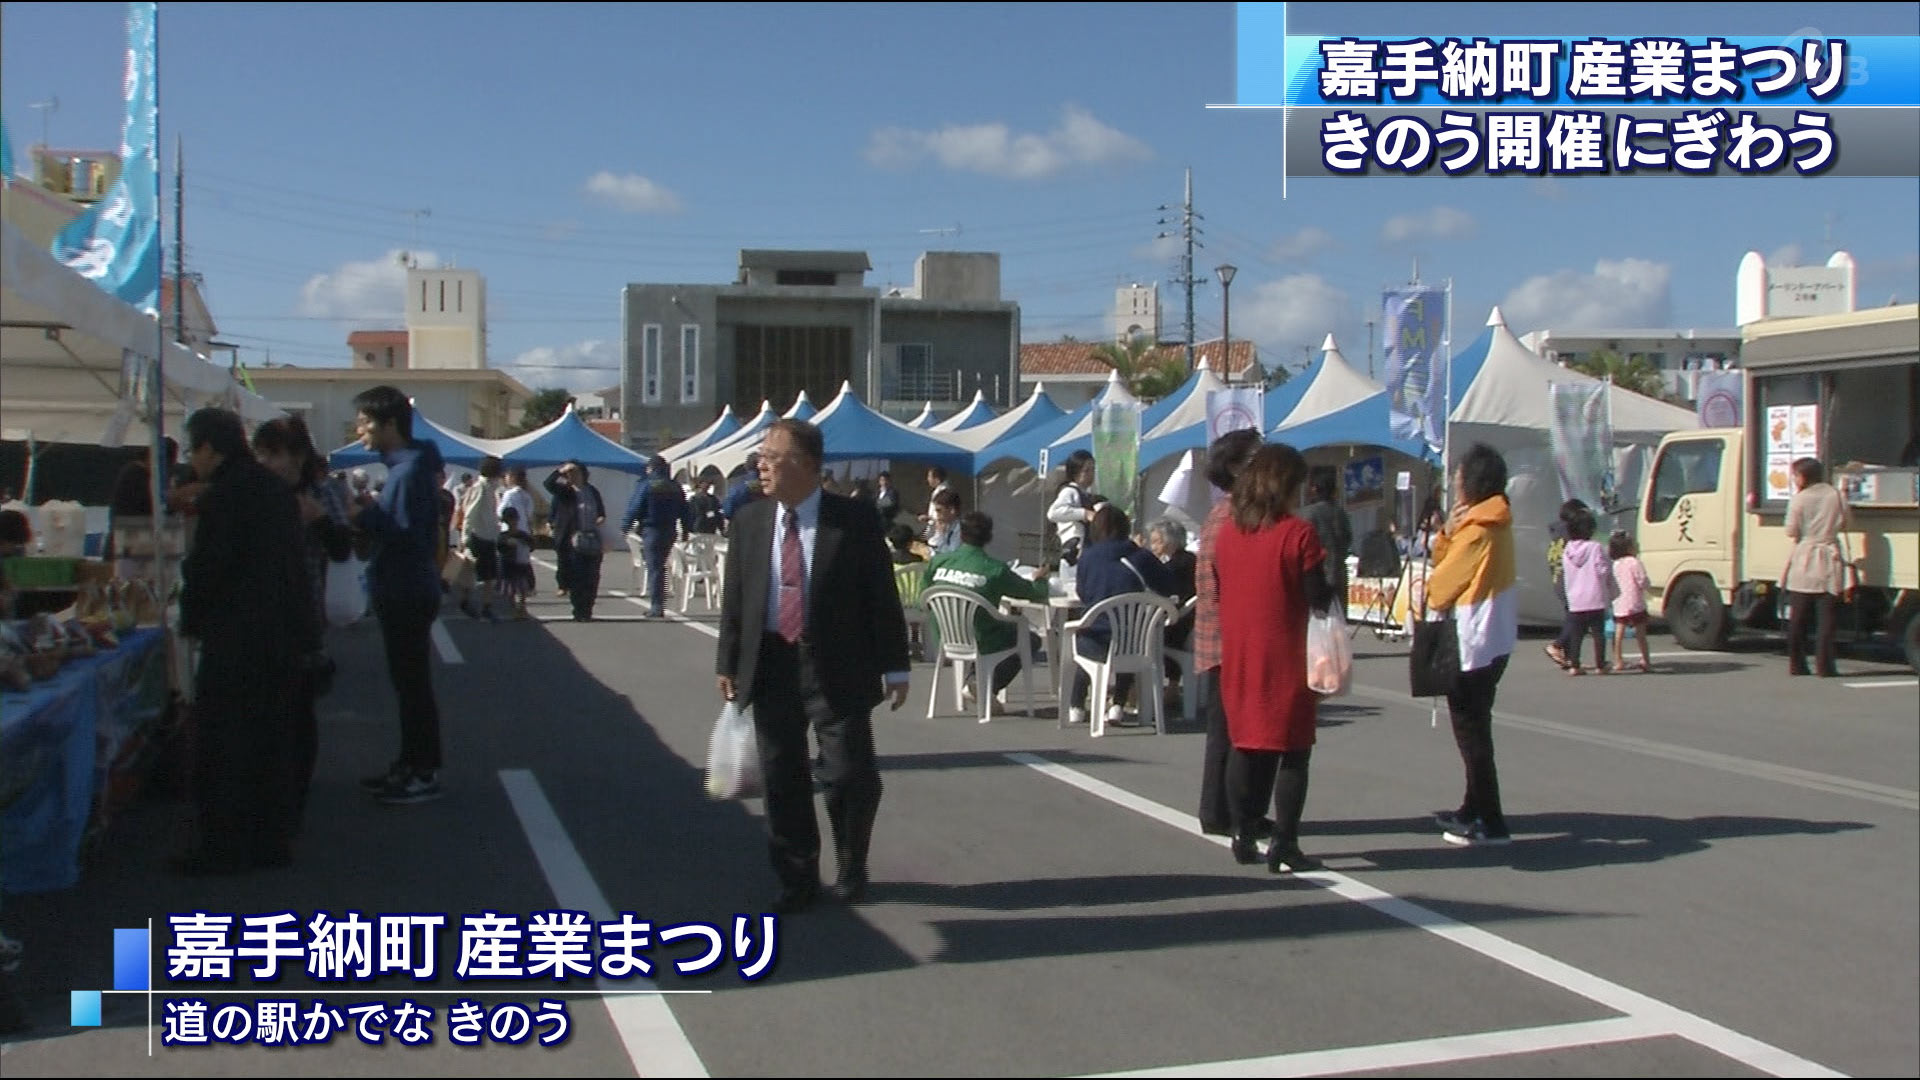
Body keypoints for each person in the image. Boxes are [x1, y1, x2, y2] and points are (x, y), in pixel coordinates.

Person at [716, 419, 911, 915]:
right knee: (782, 778)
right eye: (759, 456)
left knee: (849, 774)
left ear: (803, 464)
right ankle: (796, 876)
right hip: (771, 662)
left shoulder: (854, 521)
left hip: (837, 664)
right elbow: (736, 600)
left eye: (770, 456)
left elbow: (880, 597)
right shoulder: (750, 521)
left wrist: (896, 665)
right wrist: (728, 660)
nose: (760, 465)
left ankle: (851, 863)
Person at [174, 408, 312, 874]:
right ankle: (270, 840)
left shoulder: (227, 494)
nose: (193, 459)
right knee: (271, 742)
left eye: (194, 449)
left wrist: (191, 615)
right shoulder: (272, 489)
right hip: (281, 634)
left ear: (210, 448)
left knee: (225, 744)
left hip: (237, 636)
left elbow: (210, 566)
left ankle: (222, 846)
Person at [1213, 443, 1336, 873]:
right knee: (1293, 750)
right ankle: (1285, 841)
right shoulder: (1298, 534)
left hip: (1241, 650)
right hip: (1286, 653)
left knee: (1244, 744)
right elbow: (1316, 595)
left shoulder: (1228, 533)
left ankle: (1242, 830)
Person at [252, 416, 353, 830]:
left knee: (298, 710)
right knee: (266, 711)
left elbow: (345, 548)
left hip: (305, 613)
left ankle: (293, 799)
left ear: (297, 456)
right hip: (258, 615)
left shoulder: (319, 493)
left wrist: (319, 520)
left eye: (275, 454)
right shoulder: (256, 495)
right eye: (262, 454)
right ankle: (268, 795)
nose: (268, 462)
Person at [349, 386, 449, 805]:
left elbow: (405, 534)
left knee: (412, 686)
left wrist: (366, 516)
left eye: (366, 422)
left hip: (405, 587)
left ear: (390, 424)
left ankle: (422, 770)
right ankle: (410, 763)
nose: (360, 430)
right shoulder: (409, 467)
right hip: (406, 585)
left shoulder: (407, 474)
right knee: (408, 684)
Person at [1426, 443, 1520, 847]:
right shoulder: (1495, 522)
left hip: (1472, 642)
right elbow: (1443, 557)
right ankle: (1473, 806)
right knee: (1476, 724)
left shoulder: (1479, 530)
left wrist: (1449, 536)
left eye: (1458, 478)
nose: (1454, 484)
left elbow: (1440, 585)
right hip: (1494, 638)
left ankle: (1492, 819)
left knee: (1471, 732)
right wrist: (1447, 532)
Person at [1193, 428, 1268, 839]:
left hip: (1221, 633)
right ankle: (1228, 811)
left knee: (1226, 728)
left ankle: (1223, 809)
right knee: (1233, 731)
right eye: (1256, 456)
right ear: (1237, 467)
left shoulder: (1224, 513)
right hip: (1231, 634)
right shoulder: (1235, 516)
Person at [922, 511, 1052, 701]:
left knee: (996, 627)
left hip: (943, 635)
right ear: (989, 537)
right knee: (1029, 638)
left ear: (961, 534)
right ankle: (987, 687)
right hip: (982, 637)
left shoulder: (938, 562)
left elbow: (923, 597)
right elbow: (1035, 594)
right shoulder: (995, 569)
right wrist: (1040, 579)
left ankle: (974, 680)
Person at [1069, 504, 1177, 727]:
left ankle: (1076, 705)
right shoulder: (1140, 556)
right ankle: (1117, 705)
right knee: (1127, 631)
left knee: (1084, 640)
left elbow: (1082, 593)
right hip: (1134, 642)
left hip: (1096, 640)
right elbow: (1168, 584)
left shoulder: (1088, 557)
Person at [1782, 457, 1850, 678]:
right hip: (1830, 558)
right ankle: (1825, 666)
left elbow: (1791, 530)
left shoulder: (1799, 500)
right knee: (1827, 619)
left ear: (1803, 477)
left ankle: (1797, 664)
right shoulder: (1836, 495)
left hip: (1805, 558)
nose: (1794, 480)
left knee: (1798, 618)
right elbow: (1846, 522)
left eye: (1795, 475)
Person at [626, 455, 689, 619]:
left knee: (655, 568)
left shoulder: (646, 485)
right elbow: (685, 510)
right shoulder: (675, 486)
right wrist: (687, 529)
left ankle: (657, 605)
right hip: (670, 530)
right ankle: (660, 603)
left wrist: (625, 525)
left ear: (651, 468)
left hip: (651, 529)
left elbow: (635, 507)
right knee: (661, 567)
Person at [546, 461, 608, 621]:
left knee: (592, 575)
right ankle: (578, 609)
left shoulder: (592, 491)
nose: (571, 476)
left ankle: (588, 608)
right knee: (577, 576)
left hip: (592, 537)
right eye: (568, 473)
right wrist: (560, 470)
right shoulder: (565, 491)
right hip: (572, 539)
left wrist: (600, 518)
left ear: (583, 473)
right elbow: (548, 484)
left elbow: (601, 511)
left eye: (574, 472)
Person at [1556, 507, 1612, 676]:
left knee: (1576, 635)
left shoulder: (1567, 550)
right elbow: (1602, 570)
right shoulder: (1595, 547)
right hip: (1595, 597)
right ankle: (1600, 665)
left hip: (1575, 599)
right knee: (1598, 634)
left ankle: (1574, 665)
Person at [1543, 498, 1591, 670]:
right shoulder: (1571, 535)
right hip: (1570, 581)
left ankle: (1571, 658)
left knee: (1571, 616)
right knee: (1579, 618)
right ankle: (1557, 645)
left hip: (1558, 580)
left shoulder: (1556, 537)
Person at [1300, 466, 1354, 619]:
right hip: (1339, 573)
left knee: (1316, 630)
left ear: (1314, 488)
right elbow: (1348, 539)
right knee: (1338, 626)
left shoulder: (1308, 514)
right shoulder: (1340, 512)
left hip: (1316, 578)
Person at [458, 456, 505, 621]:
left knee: (488, 575)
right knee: (473, 571)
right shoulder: (481, 488)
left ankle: (485, 606)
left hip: (488, 536)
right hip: (479, 536)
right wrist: (465, 536)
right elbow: (470, 513)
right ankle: (466, 601)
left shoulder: (491, 488)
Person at [1610, 532, 1653, 674]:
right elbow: (1642, 581)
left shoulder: (1615, 564)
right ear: (1629, 548)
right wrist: (1648, 587)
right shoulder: (1635, 562)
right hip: (1635, 602)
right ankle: (1645, 660)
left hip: (1620, 602)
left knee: (1619, 631)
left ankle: (1618, 660)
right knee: (1641, 633)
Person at [1047, 450, 1097, 566]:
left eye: (1093, 469)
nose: (1091, 474)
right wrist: (1084, 513)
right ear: (1075, 472)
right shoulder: (1070, 491)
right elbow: (1053, 513)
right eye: (1086, 470)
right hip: (1073, 549)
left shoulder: (1085, 494)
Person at [498, 506, 536, 620]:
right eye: (510, 520)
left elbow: (532, 545)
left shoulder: (523, 535)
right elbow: (500, 548)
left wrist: (526, 544)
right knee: (511, 589)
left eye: (514, 519)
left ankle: (522, 608)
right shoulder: (503, 536)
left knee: (523, 587)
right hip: (509, 565)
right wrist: (508, 544)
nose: (512, 522)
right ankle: (514, 608)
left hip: (522, 564)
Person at [720, 454, 764, 528]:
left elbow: (728, 510)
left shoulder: (739, 486)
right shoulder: (771, 484)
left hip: (744, 525)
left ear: (746, 467)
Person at [925, 489, 963, 556]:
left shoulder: (962, 529)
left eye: (939, 510)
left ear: (952, 510)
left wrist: (941, 535)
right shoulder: (945, 525)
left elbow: (950, 554)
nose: (936, 515)